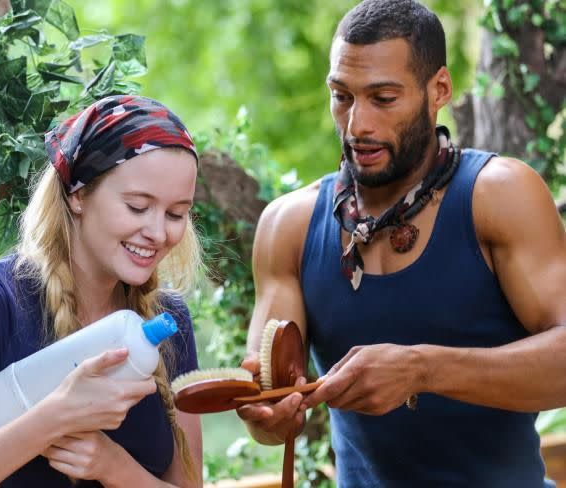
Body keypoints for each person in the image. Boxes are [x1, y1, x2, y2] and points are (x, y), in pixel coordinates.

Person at [237, 1, 566, 486]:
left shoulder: (500, 195)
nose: (357, 125)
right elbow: (269, 409)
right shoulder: (288, 225)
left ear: (439, 90)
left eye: (383, 99)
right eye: (341, 96)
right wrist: (269, 417)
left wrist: (421, 369)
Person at [0, 95, 204, 487]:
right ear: (78, 194)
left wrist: (113, 466)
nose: (157, 232)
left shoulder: (169, 322)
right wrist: (51, 421)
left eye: (175, 214)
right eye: (138, 207)